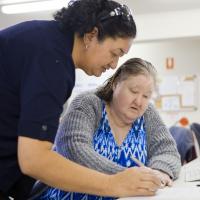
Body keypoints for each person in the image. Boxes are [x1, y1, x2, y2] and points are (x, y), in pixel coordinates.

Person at [0, 0, 154, 199]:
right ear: (91, 35)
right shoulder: (51, 59)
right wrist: (112, 184)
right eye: (115, 53)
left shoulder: (47, 42)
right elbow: (34, 159)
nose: (114, 65)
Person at [35, 58, 181, 199]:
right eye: (134, 91)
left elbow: (167, 150)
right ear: (116, 83)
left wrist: (160, 171)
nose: (139, 101)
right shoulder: (88, 104)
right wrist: (126, 177)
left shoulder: (148, 113)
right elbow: (73, 149)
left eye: (146, 96)